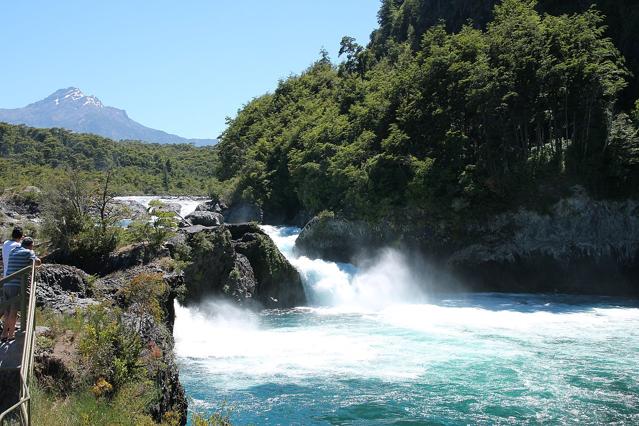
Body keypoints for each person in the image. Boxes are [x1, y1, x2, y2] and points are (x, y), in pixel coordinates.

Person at [1, 237, 41, 342]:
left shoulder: (14, 250)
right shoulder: (29, 252)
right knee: (14, 310)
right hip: (17, 284)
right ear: (30, 245)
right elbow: (37, 262)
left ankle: (4, 334)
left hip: (6, 283)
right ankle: (11, 335)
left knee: (7, 311)